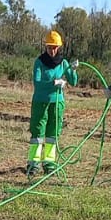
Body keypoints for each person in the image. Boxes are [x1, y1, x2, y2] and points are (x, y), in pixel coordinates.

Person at [27, 30, 78, 178]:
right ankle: (33, 164)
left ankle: (49, 163)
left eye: (55, 47)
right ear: (46, 47)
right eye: (50, 47)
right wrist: (53, 83)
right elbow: (37, 82)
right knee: (37, 132)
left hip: (57, 103)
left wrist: (73, 70)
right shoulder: (39, 62)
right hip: (40, 102)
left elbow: (73, 82)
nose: (52, 50)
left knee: (52, 134)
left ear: (59, 47)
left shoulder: (63, 63)